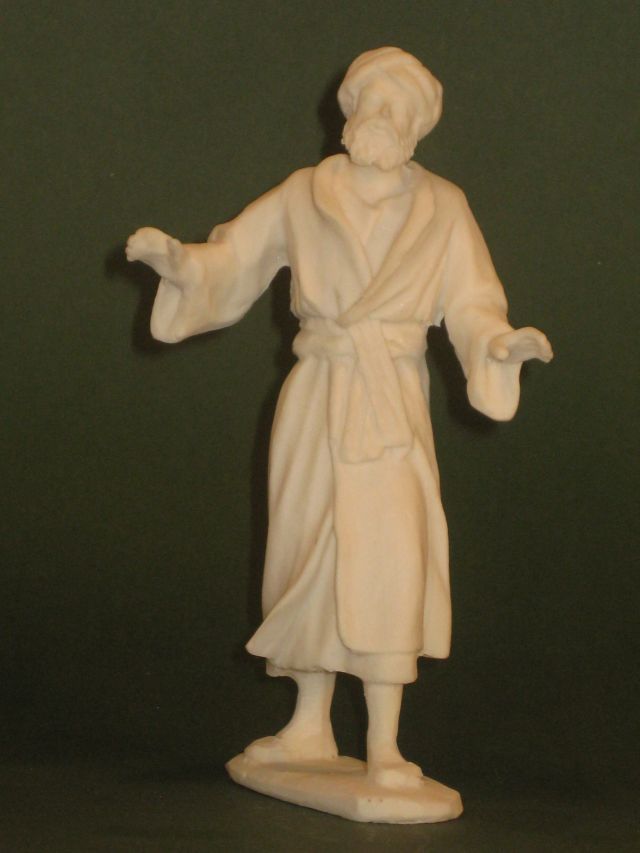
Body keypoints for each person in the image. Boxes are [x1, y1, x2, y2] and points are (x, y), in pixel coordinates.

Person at [126, 47, 552, 790]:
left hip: (390, 403)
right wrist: (182, 266)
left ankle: (385, 742)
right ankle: (308, 723)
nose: (381, 117)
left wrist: (497, 345)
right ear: (348, 111)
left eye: (397, 108)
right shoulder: (304, 193)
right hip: (318, 393)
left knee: (390, 559)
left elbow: (474, 300)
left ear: (417, 126)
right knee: (305, 551)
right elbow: (235, 257)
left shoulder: (444, 206)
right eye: (371, 101)